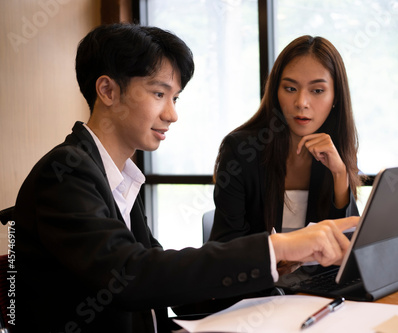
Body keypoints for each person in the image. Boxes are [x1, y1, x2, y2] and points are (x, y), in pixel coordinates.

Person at [13, 24, 358, 333]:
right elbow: (132, 276)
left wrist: (267, 277)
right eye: (159, 94)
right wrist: (276, 247)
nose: (172, 114)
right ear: (107, 91)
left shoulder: (116, 176)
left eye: (175, 98)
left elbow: (164, 280)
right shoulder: (64, 174)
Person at [210, 36, 363, 250]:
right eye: (290, 89)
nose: (301, 102)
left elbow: (347, 251)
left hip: (317, 282)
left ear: (336, 97)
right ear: (276, 92)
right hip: (258, 280)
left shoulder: (337, 151)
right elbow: (225, 248)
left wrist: (340, 174)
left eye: (317, 91)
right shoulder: (240, 151)